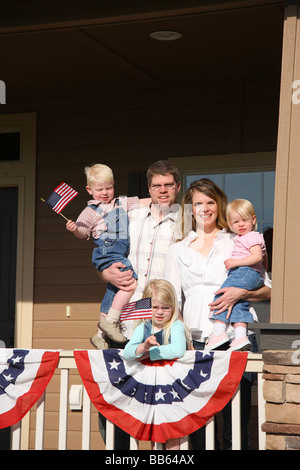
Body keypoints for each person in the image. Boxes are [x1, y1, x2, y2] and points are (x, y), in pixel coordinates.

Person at [164, 178, 271, 449]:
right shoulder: (178, 249)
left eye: (210, 202)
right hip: (195, 339)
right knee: (199, 417)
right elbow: (172, 300)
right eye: (198, 203)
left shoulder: (236, 240)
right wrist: (179, 338)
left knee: (235, 416)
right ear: (189, 208)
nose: (205, 208)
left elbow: (269, 289)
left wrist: (241, 294)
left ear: (219, 204)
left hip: (235, 337)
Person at [98, 160, 182, 450]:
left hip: (163, 324)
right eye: (156, 185)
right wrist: (103, 270)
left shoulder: (186, 221)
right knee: (117, 395)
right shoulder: (129, 217)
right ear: (149, 188)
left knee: (164, 400)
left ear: (177, 187)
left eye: (168, 185)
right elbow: (105, 251)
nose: (162, 190)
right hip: (127, 321)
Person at [66, 163, 150, 348]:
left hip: (119, 251)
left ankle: (100, 335)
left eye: (109, 188)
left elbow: (142, 202)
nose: (105, 192)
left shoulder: (120, 203)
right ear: (89, 190)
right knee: (130, 283)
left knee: (114, 290)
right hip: (107, 252)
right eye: (99, 189)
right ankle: (111, 321)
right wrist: (75, 230)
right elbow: (83, 233)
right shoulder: (90, 211)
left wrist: (157, 200)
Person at [124, 279, 191, 450]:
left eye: (165, 307)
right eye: (155, 307)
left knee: (174, 434)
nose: (160, 312)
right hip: (153, 388)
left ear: (173, 308)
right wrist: (143, 346)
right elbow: (127, 352)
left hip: (173, 388)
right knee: (156, 435)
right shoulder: (144, 328)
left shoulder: (175, 326)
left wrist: (148, 354)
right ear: (146, 307)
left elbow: (178, 349)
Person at [206, 199, 268, 352]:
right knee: (239, 304)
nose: (240, 224)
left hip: (245, 272)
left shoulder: (251, 236)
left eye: (244, 220)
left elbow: (257, 257)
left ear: (253, 220)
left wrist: (235, 262)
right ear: (230, 223)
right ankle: (241, 336)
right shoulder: (243, 237)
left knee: (222, 296)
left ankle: (219, 333)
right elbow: (264, 261)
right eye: (236, 221)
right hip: (251, 274)